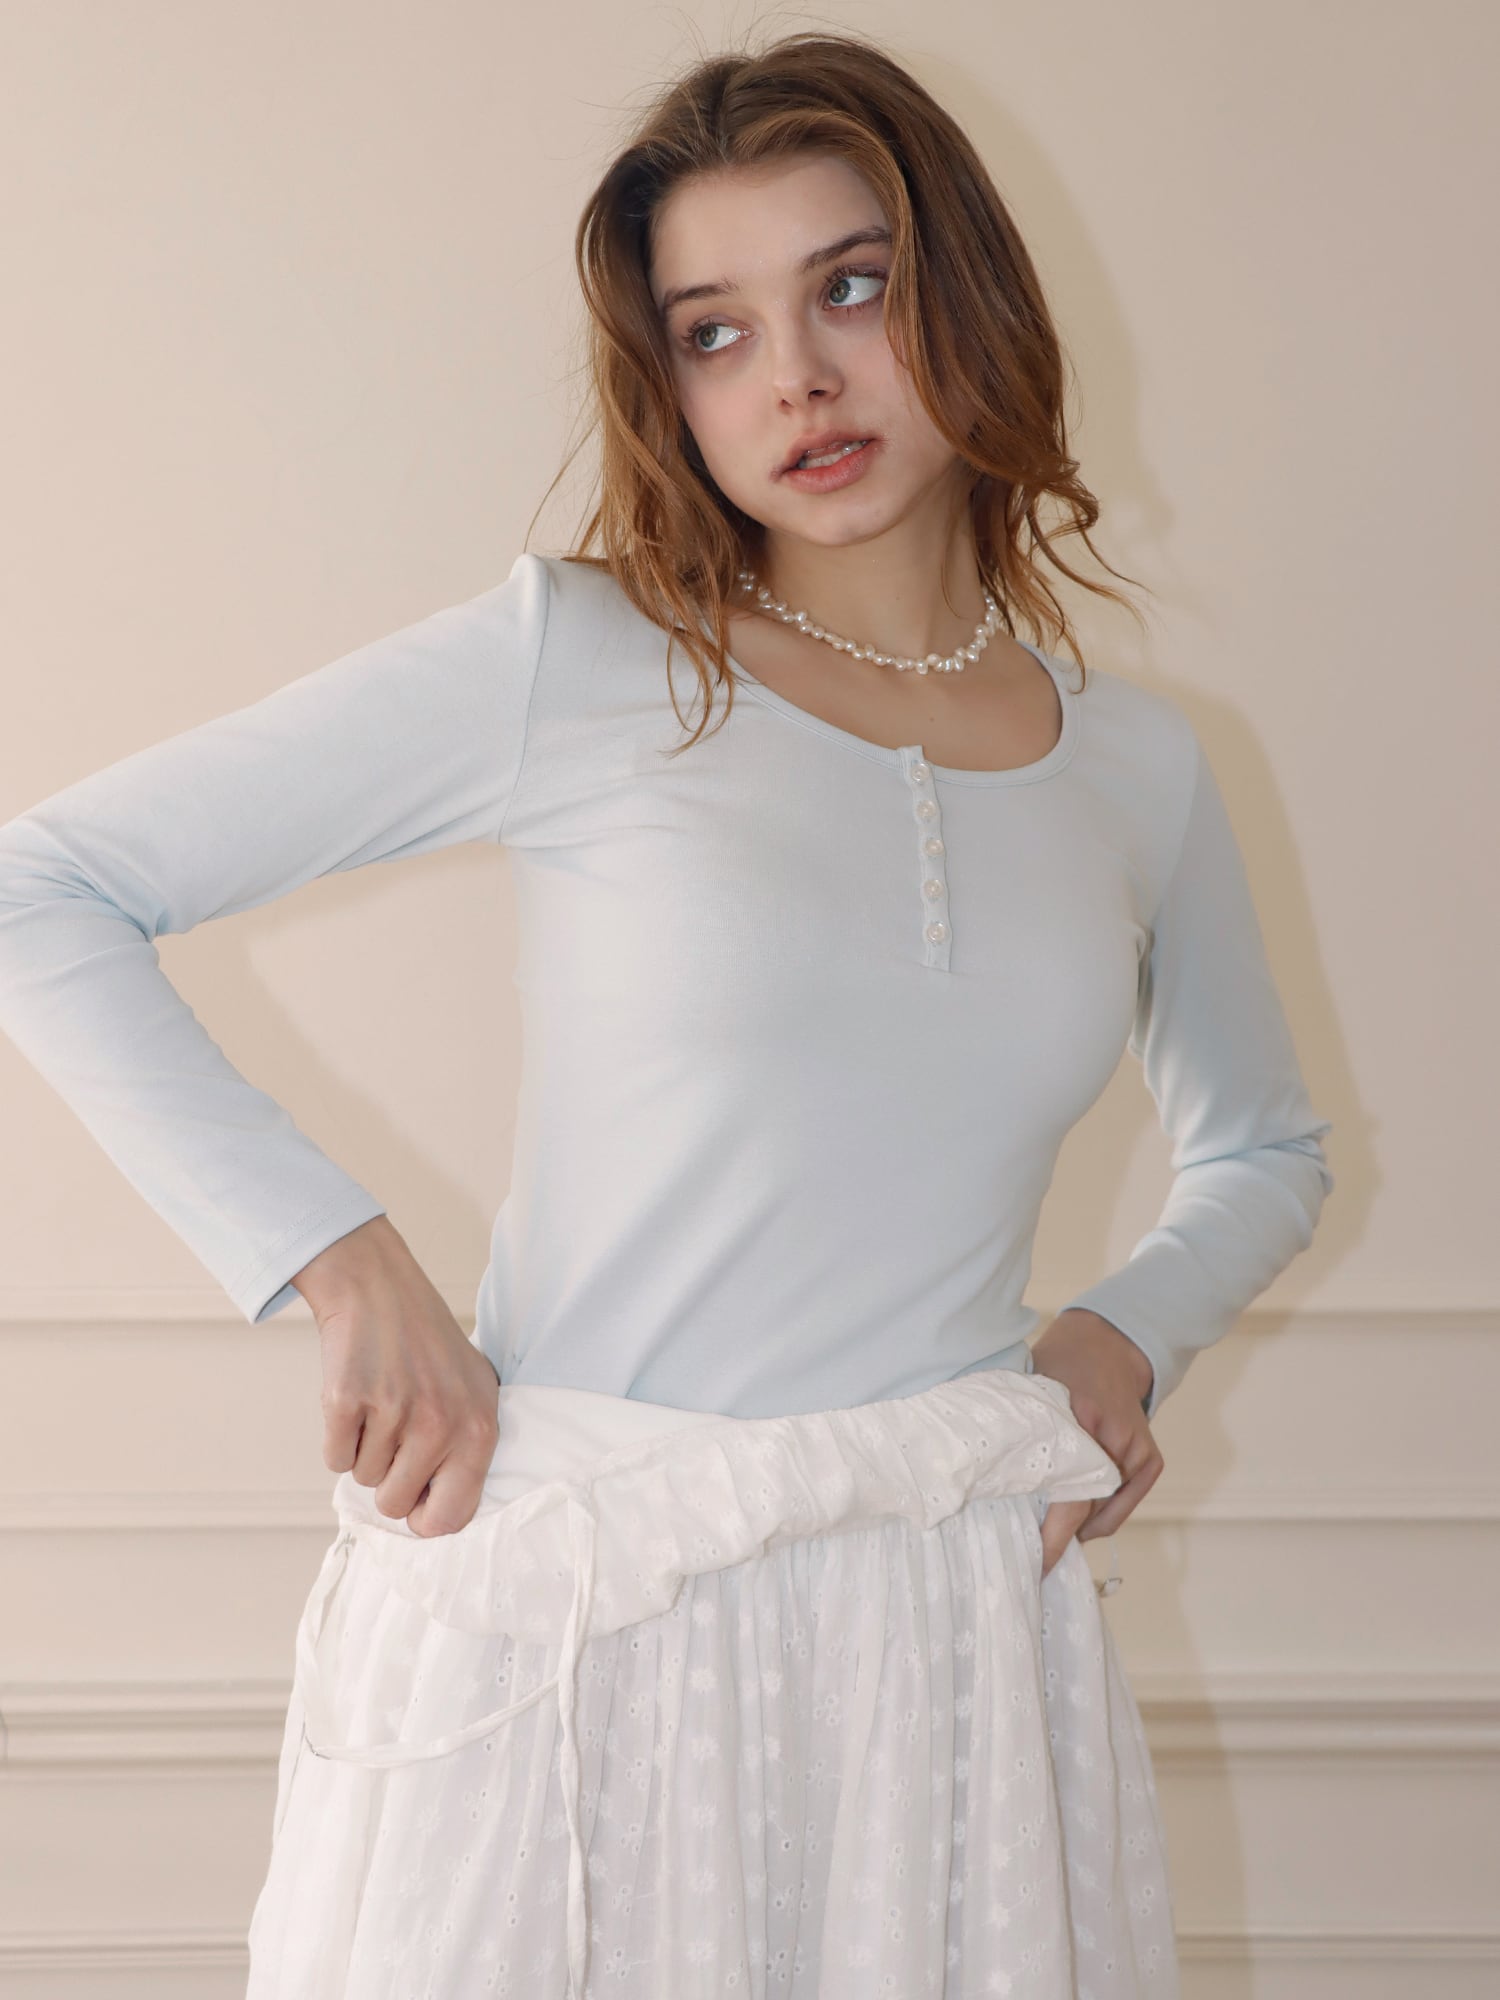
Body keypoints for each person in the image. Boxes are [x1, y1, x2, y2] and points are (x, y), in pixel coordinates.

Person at [0, 29, 1333, 2000]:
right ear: (668, 385)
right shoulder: (581, 661)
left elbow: (1267, 1145)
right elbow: (43, 890)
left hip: (948, 1635)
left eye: (851, 288)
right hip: (582, 1617)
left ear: (966, 293)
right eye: (715, 332)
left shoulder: (1137, 764)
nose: (795, 376)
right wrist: (343, 1265)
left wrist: (1126, 1329)